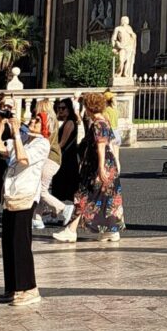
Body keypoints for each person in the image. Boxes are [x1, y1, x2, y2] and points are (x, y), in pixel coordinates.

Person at [53, 91, 124, 244]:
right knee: (107, 197)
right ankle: (111, 231)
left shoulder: (98, 123)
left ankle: (71, 230)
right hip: (107, 164)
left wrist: (100, 167)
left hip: (98, 165)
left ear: (89, 107)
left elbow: (100, 146)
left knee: (83, 196)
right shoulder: (105, 121)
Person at [0, 111, 49, 306]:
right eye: (33, 118)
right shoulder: (25, 139)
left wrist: (17, 132)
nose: (33, 121)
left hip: (26, 197)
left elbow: (23, 158)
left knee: (20, 244)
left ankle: (30, 288)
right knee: (8, 243)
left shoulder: (42, 144)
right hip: (11, 194)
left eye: (38, 120)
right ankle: (12, 288)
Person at [32, 102, 72, 230]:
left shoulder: (46, 120)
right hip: (53, 158)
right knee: (40, 187)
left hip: (49, 158)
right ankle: (37, 218)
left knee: (41, 189)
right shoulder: (53, 119)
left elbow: (43, 139)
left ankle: (63, 208)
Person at [51, 98, 81, 201]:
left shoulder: (69, 123)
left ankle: (63, 210)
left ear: (69, 109)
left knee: (64, 186)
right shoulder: (66, 122)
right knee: (65, 187)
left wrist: (51, 151)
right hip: (67, 157)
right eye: (59, 108)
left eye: (63, 108)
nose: (60, 110)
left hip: (67, 158)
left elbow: (62, 143)